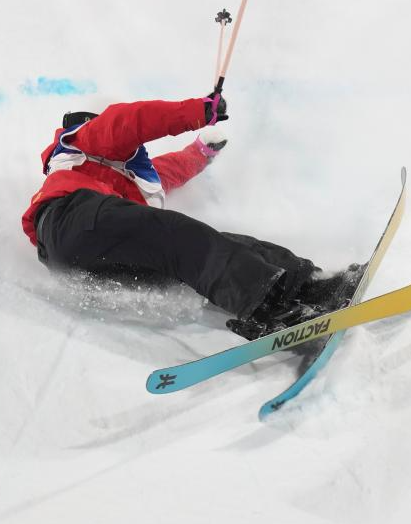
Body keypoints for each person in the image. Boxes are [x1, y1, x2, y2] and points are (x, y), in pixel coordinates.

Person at [21, 91, 359, 339]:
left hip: (97, 261)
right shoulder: (84, 143)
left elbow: (172, 169)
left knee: (213, 244)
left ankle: (308, 287)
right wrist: (197, 111)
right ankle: (265, 307)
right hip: (72, 221)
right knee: (180, 235)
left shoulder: (130, 178)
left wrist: (201, 152)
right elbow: (130, 121)